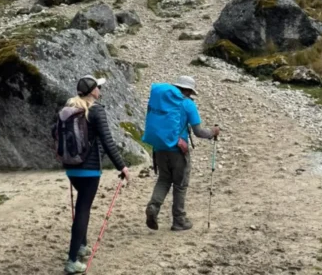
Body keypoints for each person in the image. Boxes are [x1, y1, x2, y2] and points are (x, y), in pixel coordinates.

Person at [60, 75, 130, 274]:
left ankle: (81, 246)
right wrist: (122, 167)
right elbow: (108, 142)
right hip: (90, 169)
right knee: (83, 210)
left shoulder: (68, 108)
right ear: (92, 91)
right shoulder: (96, 111)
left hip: (71, 167)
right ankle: (72, 260)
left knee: (82, 206)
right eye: (98, 87)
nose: (100, 89)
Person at [144, 76, 220, 232]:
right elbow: (199, 132)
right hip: (178, 151)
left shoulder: (161, 100)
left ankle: (153, 206)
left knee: (164, 179)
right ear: (188, 90)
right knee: (180, 185)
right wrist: (212, 132)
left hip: (160, 147)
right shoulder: (187, 104)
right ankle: (179, 220)